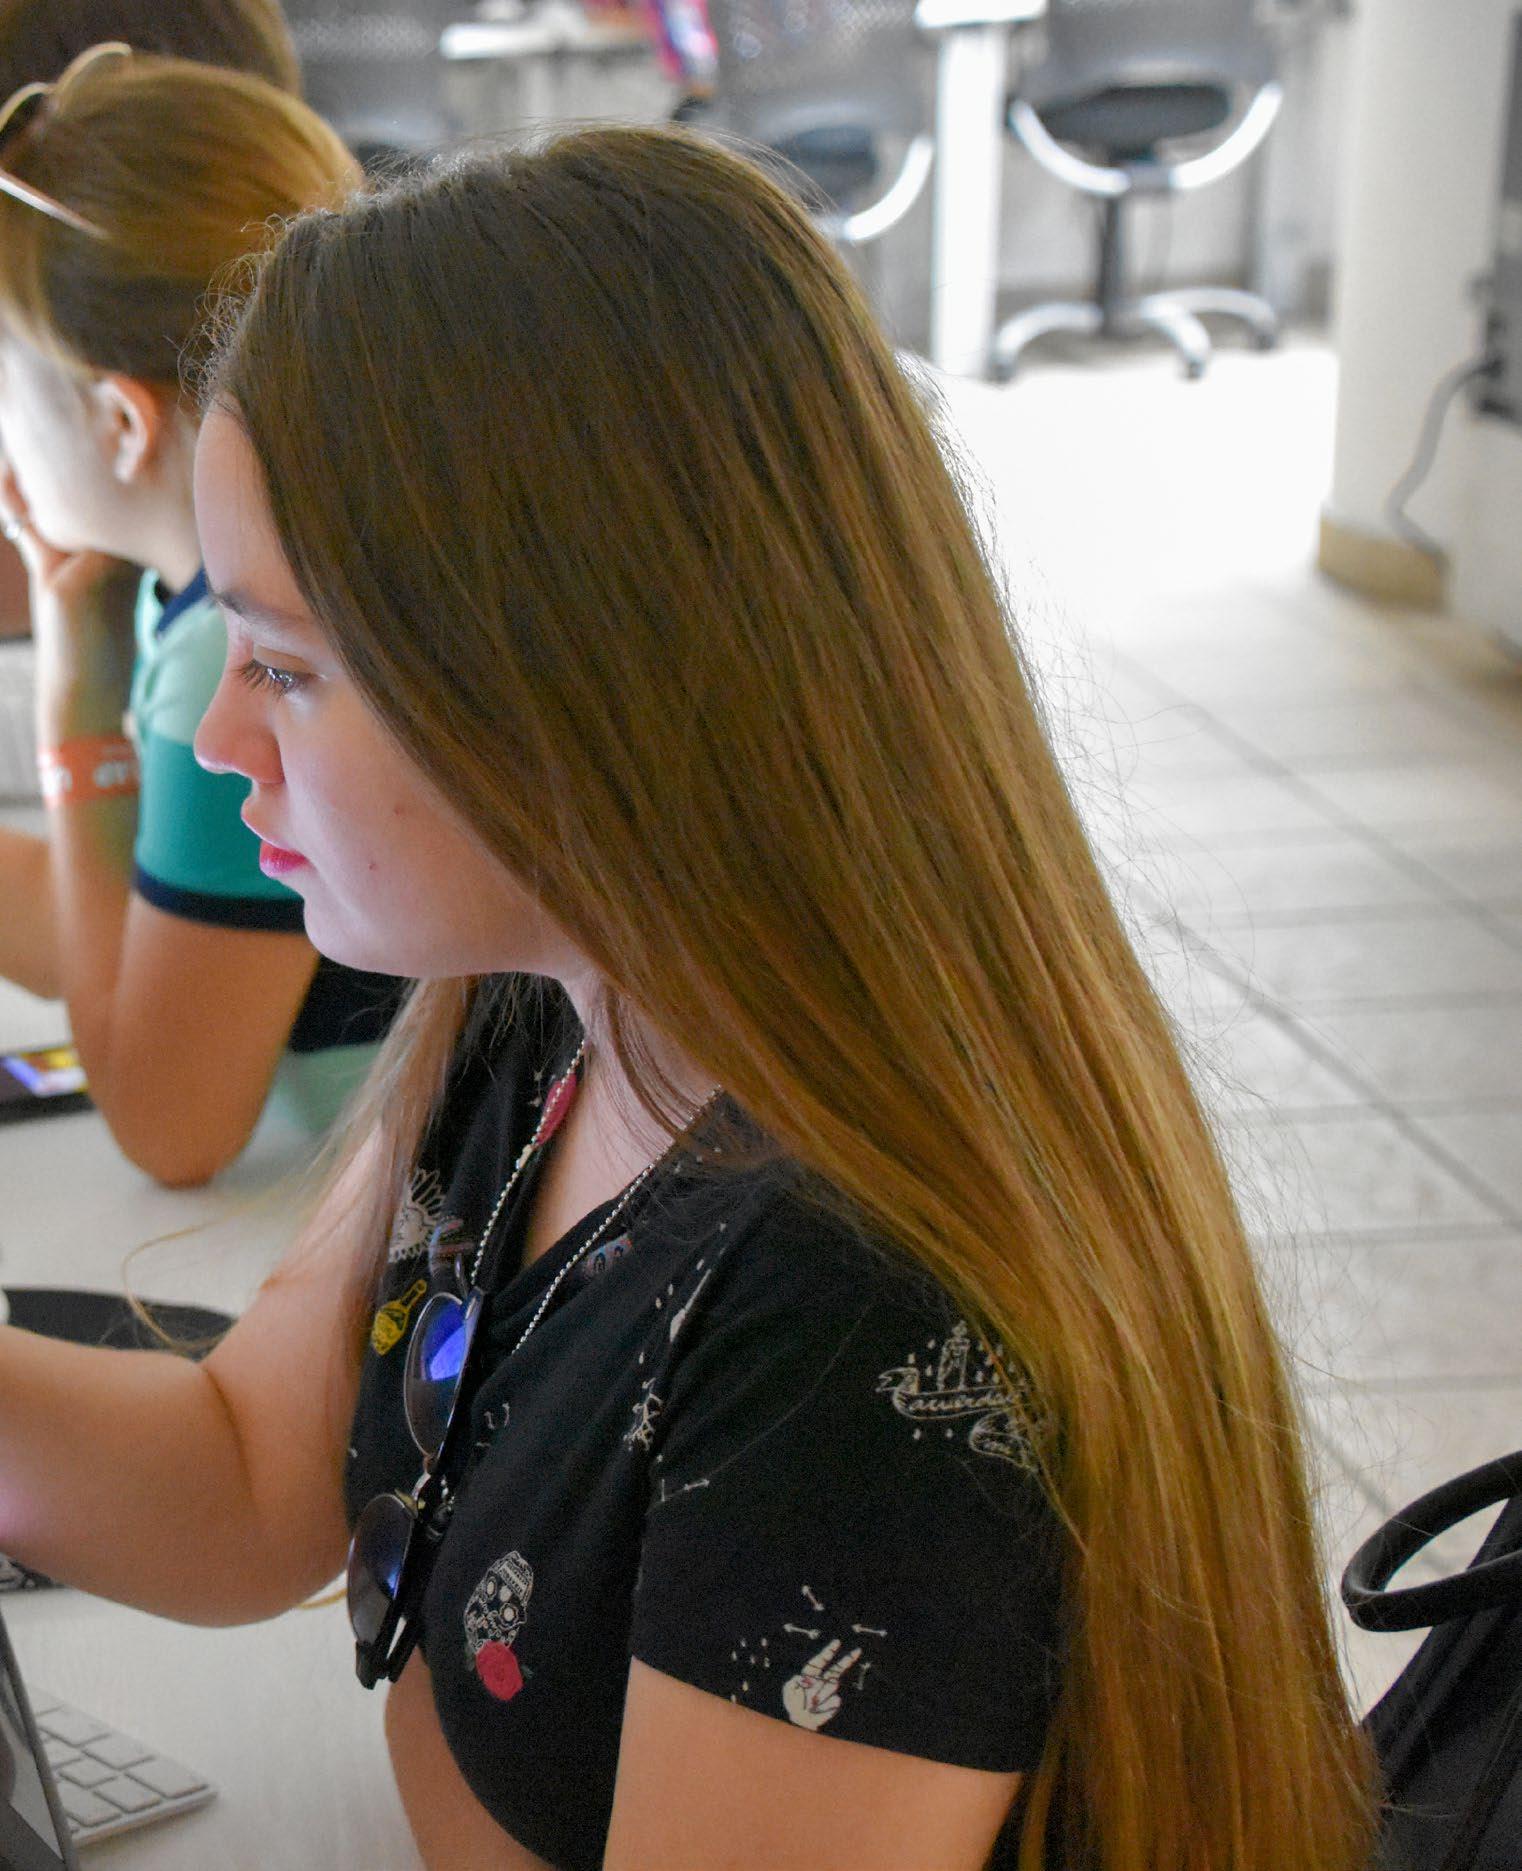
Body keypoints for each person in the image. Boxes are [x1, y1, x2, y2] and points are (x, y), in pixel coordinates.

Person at [0, 128, 1376, 1870]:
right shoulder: (542, 1004)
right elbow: (247, 1475)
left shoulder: (849, 1337)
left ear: (562, 677)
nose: (218, 737)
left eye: (283, 666)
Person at [0, 47, 402, 1186]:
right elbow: (144, 925)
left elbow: (171, 1124)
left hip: (365, 1199)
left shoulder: (227, 659)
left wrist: (73, 710)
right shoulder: (297, 572)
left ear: (121, 424)